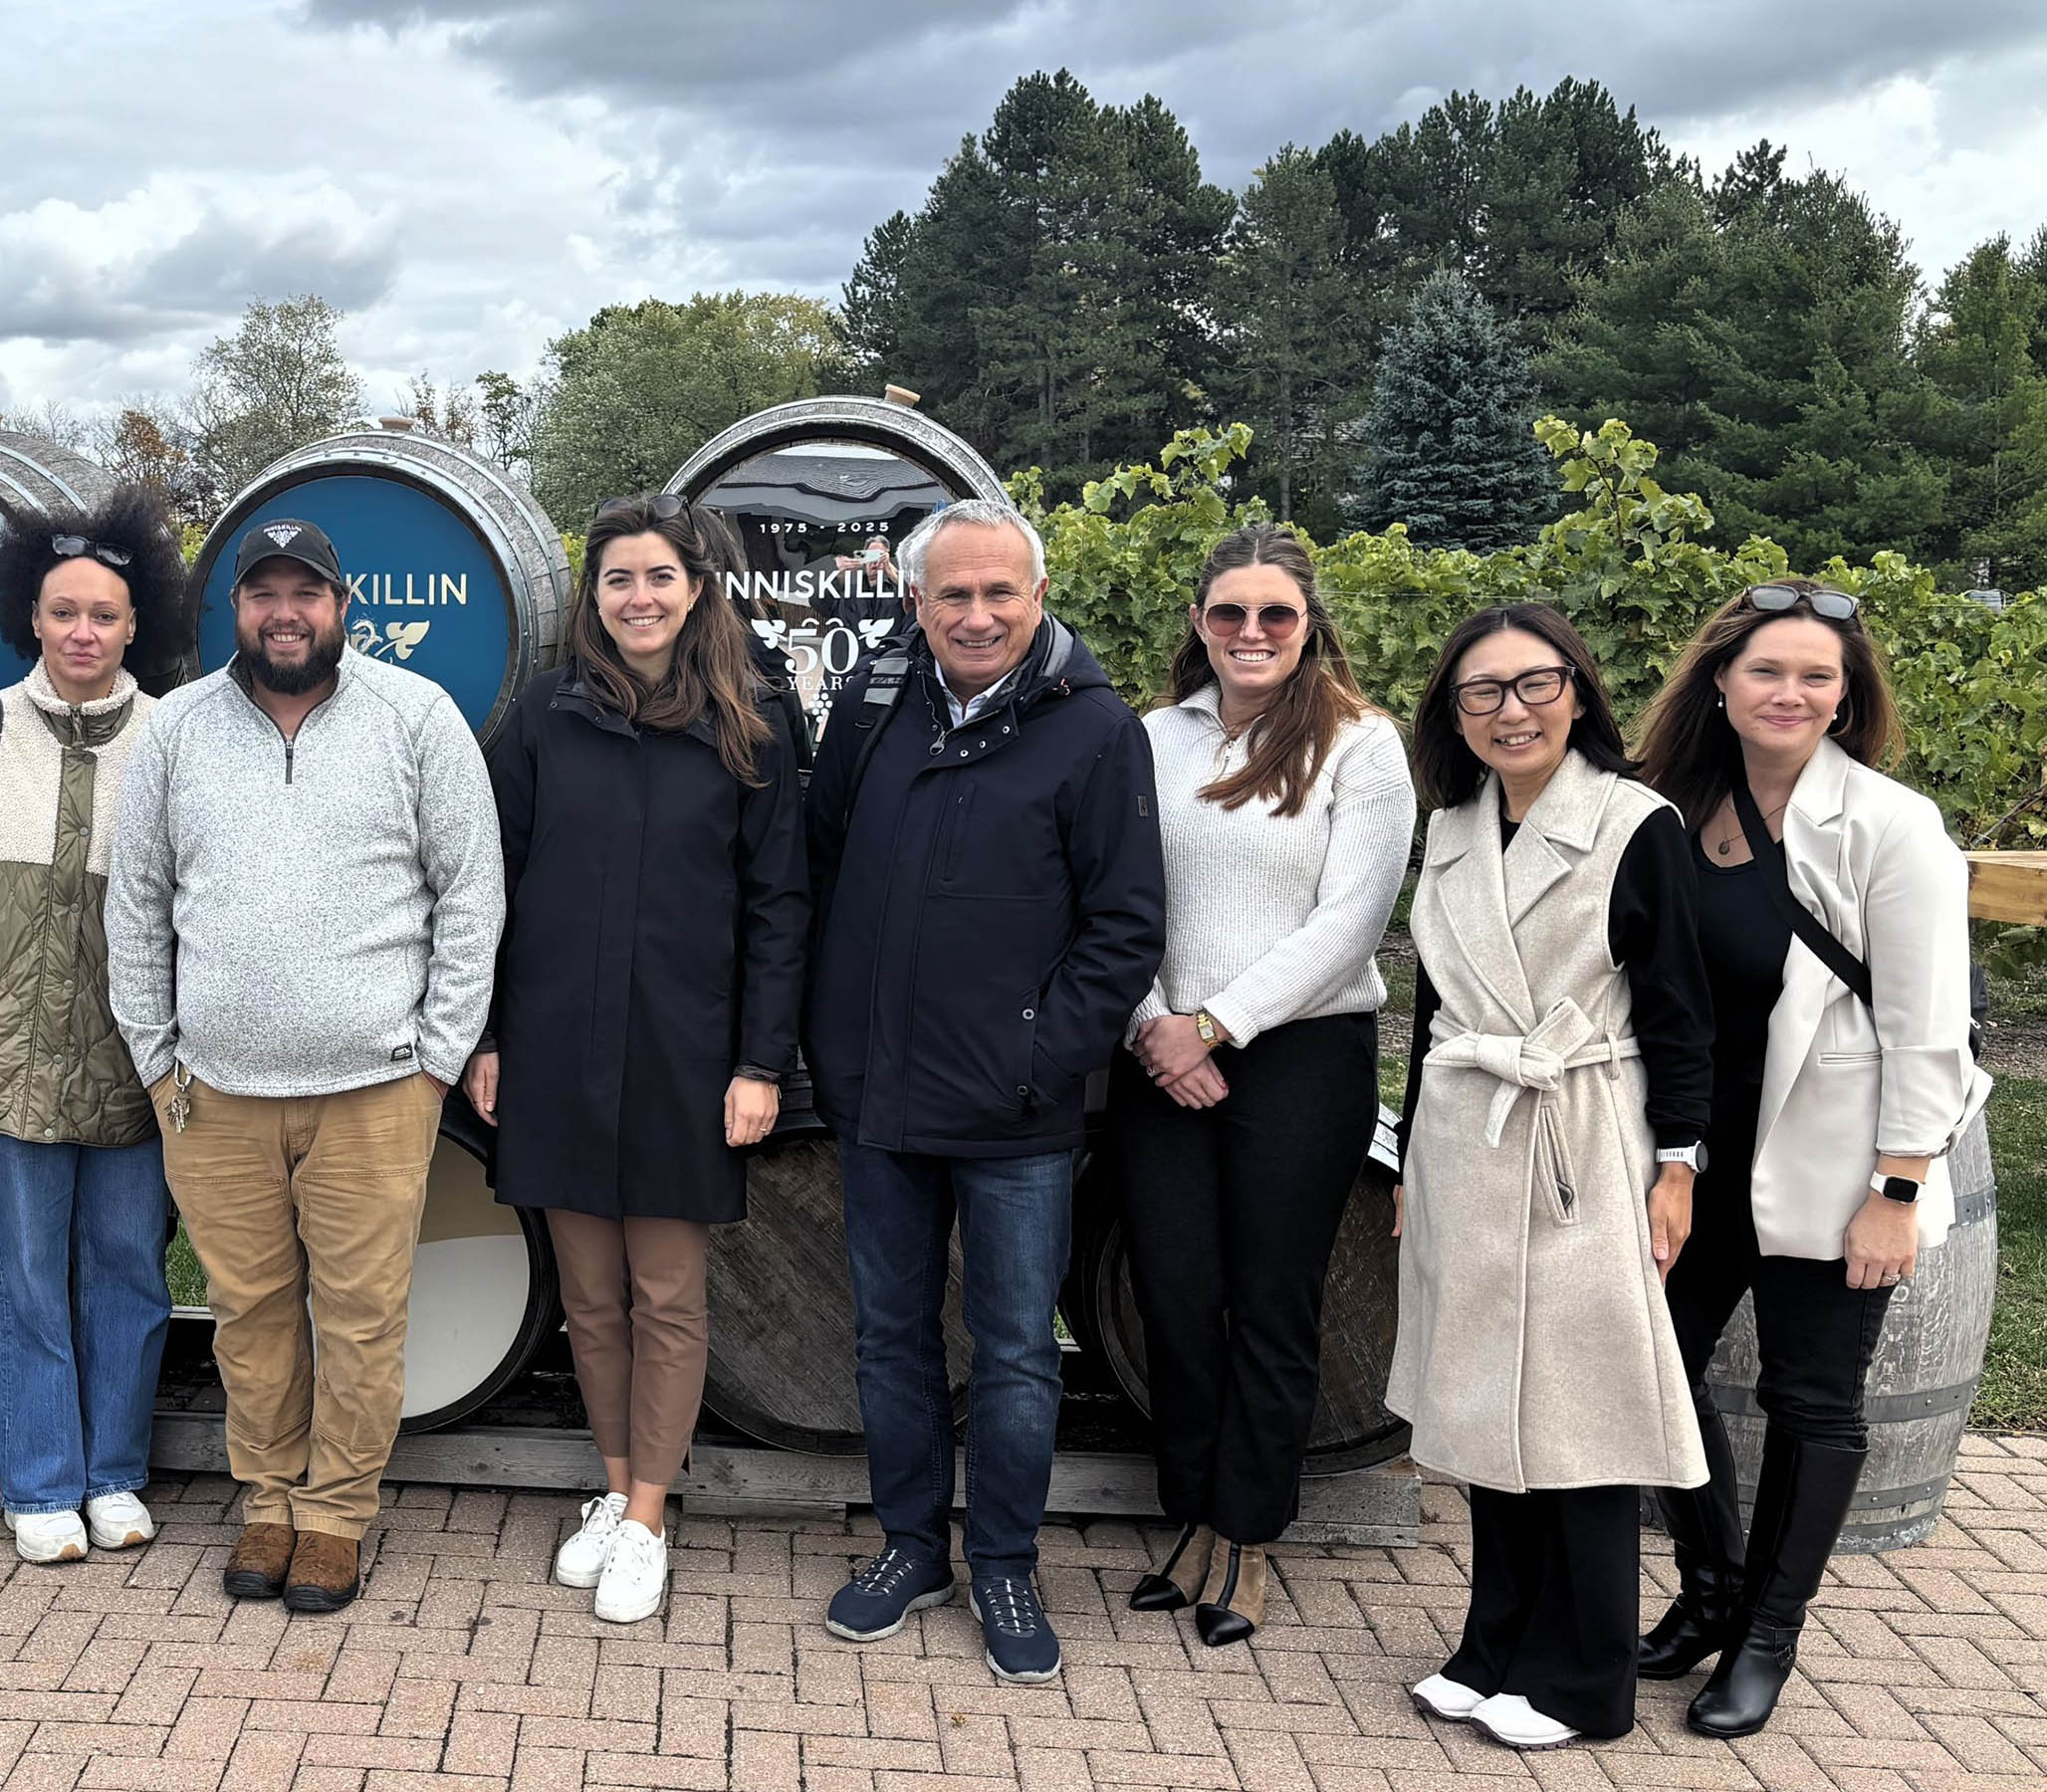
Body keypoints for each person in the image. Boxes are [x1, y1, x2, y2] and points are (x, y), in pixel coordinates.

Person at [106, 517, 504, 1615]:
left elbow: (472, 895)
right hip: (213, 1092)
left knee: (361, 1316)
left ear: (341, 605)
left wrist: (434, 1059)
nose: (285, 614)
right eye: (263, 594)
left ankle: (335, 1514)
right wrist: (155, 1057)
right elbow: (135, 904)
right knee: (250, 1315)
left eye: (306, 593)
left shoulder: (416, 716)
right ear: (235, 609)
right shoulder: (177, 727)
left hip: (376, 1089)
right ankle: (269, 1498)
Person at [798, 494, 1164, 1678]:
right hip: (879, 1097)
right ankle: (911, 1546)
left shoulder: (1094, 730)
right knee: (890, 1339)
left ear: (1037, 596)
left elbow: (1123, 926)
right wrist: (830, 1039)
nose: (975, 613)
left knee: (1012, 1350)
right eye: (951, 592)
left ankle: (1003, 1563)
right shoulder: (870, 708)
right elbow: (817, 872)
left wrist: (1038, 1059)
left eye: (998, 591)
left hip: (1016, 1112)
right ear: (915, 602)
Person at [1631, 579, 1988, 1738]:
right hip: (1690, 1158)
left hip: (1835, 1161)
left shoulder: (1891, 825)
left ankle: (1764, 1636)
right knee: (1649, 1369)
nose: (1787, 692)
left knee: (1810, 1399)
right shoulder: (1668, 807)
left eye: (1814, 676)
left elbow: (1929, 1029)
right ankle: (1708, 1589)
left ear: (1844, 698)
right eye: (1765, 670)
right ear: (1718, 683)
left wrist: (1897, 1190)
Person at [465, 494, 810, 1624]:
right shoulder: (545, 716)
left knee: (663, 1292)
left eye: (660, 576)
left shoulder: (752, 720)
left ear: (696, 589)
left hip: (684, 1051)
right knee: (589, 1296)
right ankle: (615, 1491)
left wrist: (760, 1062)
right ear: (593, 597)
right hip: (558, 1046)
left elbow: (779, 905)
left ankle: (652, 1516)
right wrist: (490, 1035)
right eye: (618, 578)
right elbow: (493, 882)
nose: (639, 597)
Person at [1390, 603, 1712, 1750]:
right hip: (1464, 1139)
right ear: (1453, 714)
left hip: (1581, 1133)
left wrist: (1677, 1166)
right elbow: (1433, 1009)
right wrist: (1408, 1155)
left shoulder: (1634, 824)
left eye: (1533, 683)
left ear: (1575, 691)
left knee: (1580, 1411)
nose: (1510, 710)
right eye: (1480, 691)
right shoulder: (1451, 828)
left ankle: (1583, 1681)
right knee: (1487, 1403)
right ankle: (1493, 1647)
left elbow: (1678, 1013)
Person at [0, 486, 196, 1567]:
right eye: (64, 612)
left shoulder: (172, 739)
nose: (82, 632)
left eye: (103, 614)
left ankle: (114, 1473)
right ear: (32, 618)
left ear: (135, 625)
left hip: (134, 1058)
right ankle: (43, 1482)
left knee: (129, 1267)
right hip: (1, 1054)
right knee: (24, 1271)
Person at [1112, 526, 1414, 1646]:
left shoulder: (1359, 745)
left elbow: (1351, 924)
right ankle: (1193, 1513)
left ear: (1306, 622)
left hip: (1298, 1056)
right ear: (1198, 622)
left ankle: (1246, 1534)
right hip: (1156, 1053)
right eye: (1229, 612)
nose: (1251, 631)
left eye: (1273, 613)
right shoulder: (1150, 740)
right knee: (1174, 1296)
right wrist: (1156, 1026)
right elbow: (1110, 895)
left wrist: (1214, 1025)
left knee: (1270, 1301)